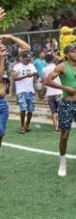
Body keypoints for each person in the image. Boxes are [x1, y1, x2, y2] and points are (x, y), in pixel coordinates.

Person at [43, 44, 76, 177]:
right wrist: (65, 88)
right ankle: (62, 162)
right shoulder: (62, 66)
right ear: (66, 55)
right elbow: (47, 81)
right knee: (64, 135)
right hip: (66, 105)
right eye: (72, 51)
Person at [0, 11, 30, 149]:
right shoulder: (2, 55)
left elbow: (26, 47)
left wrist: (11, 36)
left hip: (2, 102)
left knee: (1, 135)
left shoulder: (5, 51)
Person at [12, 52, 38, 134]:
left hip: (30, 90)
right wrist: (26, 76)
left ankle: (27, 125)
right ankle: (22, 126)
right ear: (21, 58)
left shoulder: (32, 66)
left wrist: (35, 75)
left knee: (30, 110)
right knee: (23, 109)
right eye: (26, 58)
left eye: (29, 58)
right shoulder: (17, 66)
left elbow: (36, 75)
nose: (28, 60)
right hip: (21, 91)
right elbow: (14, 78)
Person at [42, 53, 62, 131]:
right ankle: (60, 125)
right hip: (59, 91)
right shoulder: (57, 67)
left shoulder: (44, 69)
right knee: (60, 110)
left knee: (53, 111)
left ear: (45, 60)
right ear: (53, 59)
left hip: (49, 93)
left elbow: (44, 80)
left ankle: (55, 126)